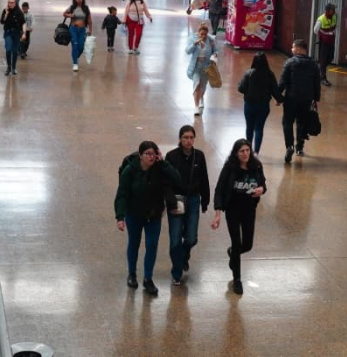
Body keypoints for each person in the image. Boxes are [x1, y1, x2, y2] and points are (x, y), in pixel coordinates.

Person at [114, 141, 183, 296]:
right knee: (134, 243)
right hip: (134, 215)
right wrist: (120, 216)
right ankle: (132, 274)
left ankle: (148, 278)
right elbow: (122, 194)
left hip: (154, 215)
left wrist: (164, 163)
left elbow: (178, 180)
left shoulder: (160, 168)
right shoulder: (130, 171)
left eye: (154, 154)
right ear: (140, 156)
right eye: (148, 154)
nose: (151, 157)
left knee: (152, 245)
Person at [210, 138, 266, 296]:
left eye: (247, 150)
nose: (245, 153)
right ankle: (237, 279)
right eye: (242, 151)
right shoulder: (230, 168)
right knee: (236, 242)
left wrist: (261, 189)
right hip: (233, 210)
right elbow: (220, 189)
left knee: (247, 245)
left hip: (249, 210)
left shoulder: (256, 166)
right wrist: (217, 214)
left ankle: (233, 253)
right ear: (236, 153)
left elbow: (263, 184)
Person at [164, 126, 211, 286]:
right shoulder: (171, 156)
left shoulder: (199, 156)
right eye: (185, 137)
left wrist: (205, 201)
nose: (188, 140)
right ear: (180, 139)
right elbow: (166, 182)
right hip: (176, 201)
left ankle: (184, 255)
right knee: (175, 239)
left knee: (191, 238)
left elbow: (204, 178)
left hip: (192, 201)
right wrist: (169, 200)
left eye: (191, 137)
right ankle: (177, 272)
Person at [278, 39, 320, 163]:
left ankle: (289, 146)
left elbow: (282, 82)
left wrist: (278, 97)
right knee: (302, 122)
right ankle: (299, 148)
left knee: (287, 122)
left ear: (299, 49)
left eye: (293, 47)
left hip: (291, 98)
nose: (292, 49)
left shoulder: (289, 63)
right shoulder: (313, 64)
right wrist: (316, 99)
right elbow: (316, 83)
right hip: (306, 99)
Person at [238, 52, 280, 155]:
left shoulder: (249, 73)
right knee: (259, 128)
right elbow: (275, 90)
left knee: (249, 127)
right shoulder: (270, 74)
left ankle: (248, 150)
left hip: (249, 105)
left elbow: (241, 88)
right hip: (263, 106)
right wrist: (279, 100)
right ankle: (256, 152)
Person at [186, 22, 218, 116]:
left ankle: (201, 98)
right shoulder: (193, 39)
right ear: (198, 33)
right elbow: (187, 51)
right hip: (196, 67)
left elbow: (215, 50)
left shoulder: (211, 40)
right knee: (197, 85)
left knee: (203, 86)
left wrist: (215, 54)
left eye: (205, 34)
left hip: (206, 67)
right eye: (201, 34)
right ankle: (196, 106)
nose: (203, 36)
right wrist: (194, 44)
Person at [63, 0, 92, 72]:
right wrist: (70, 15)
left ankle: (76, 56)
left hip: (82, 30)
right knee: (75, 45)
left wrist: (90, 30)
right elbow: (64, 13)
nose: (79, 0)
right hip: (73, 29)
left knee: (81, 47)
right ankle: (75, 63)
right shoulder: (72, 7)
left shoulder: (86, 8)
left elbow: (89, 20)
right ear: (75, 0)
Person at [0, 0, 27, 76]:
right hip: (8, 33)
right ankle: (8, 67)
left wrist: (24, 33)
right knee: (8, 49)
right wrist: (6, 15)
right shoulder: (5, 11)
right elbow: (2, 21)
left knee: (15, 51)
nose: (10, 4)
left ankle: (13, 67)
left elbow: (23, 23)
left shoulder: (19, 12)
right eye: (9, 2)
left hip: (17, 33)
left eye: (12, 2)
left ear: (15, 3)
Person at [314, 3, 338, 86]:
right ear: (327, 11)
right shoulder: (321, 19)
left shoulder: (334, 16)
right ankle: (323, 78)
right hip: (324, 42)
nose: (334, 11)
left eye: (334, 9)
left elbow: (335, 26)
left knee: (331, 57)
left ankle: (320, 68)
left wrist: (332, 33)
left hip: (331, 41)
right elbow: (315, 30)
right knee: (323, 60)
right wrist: (323, 35)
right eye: (332, 9)